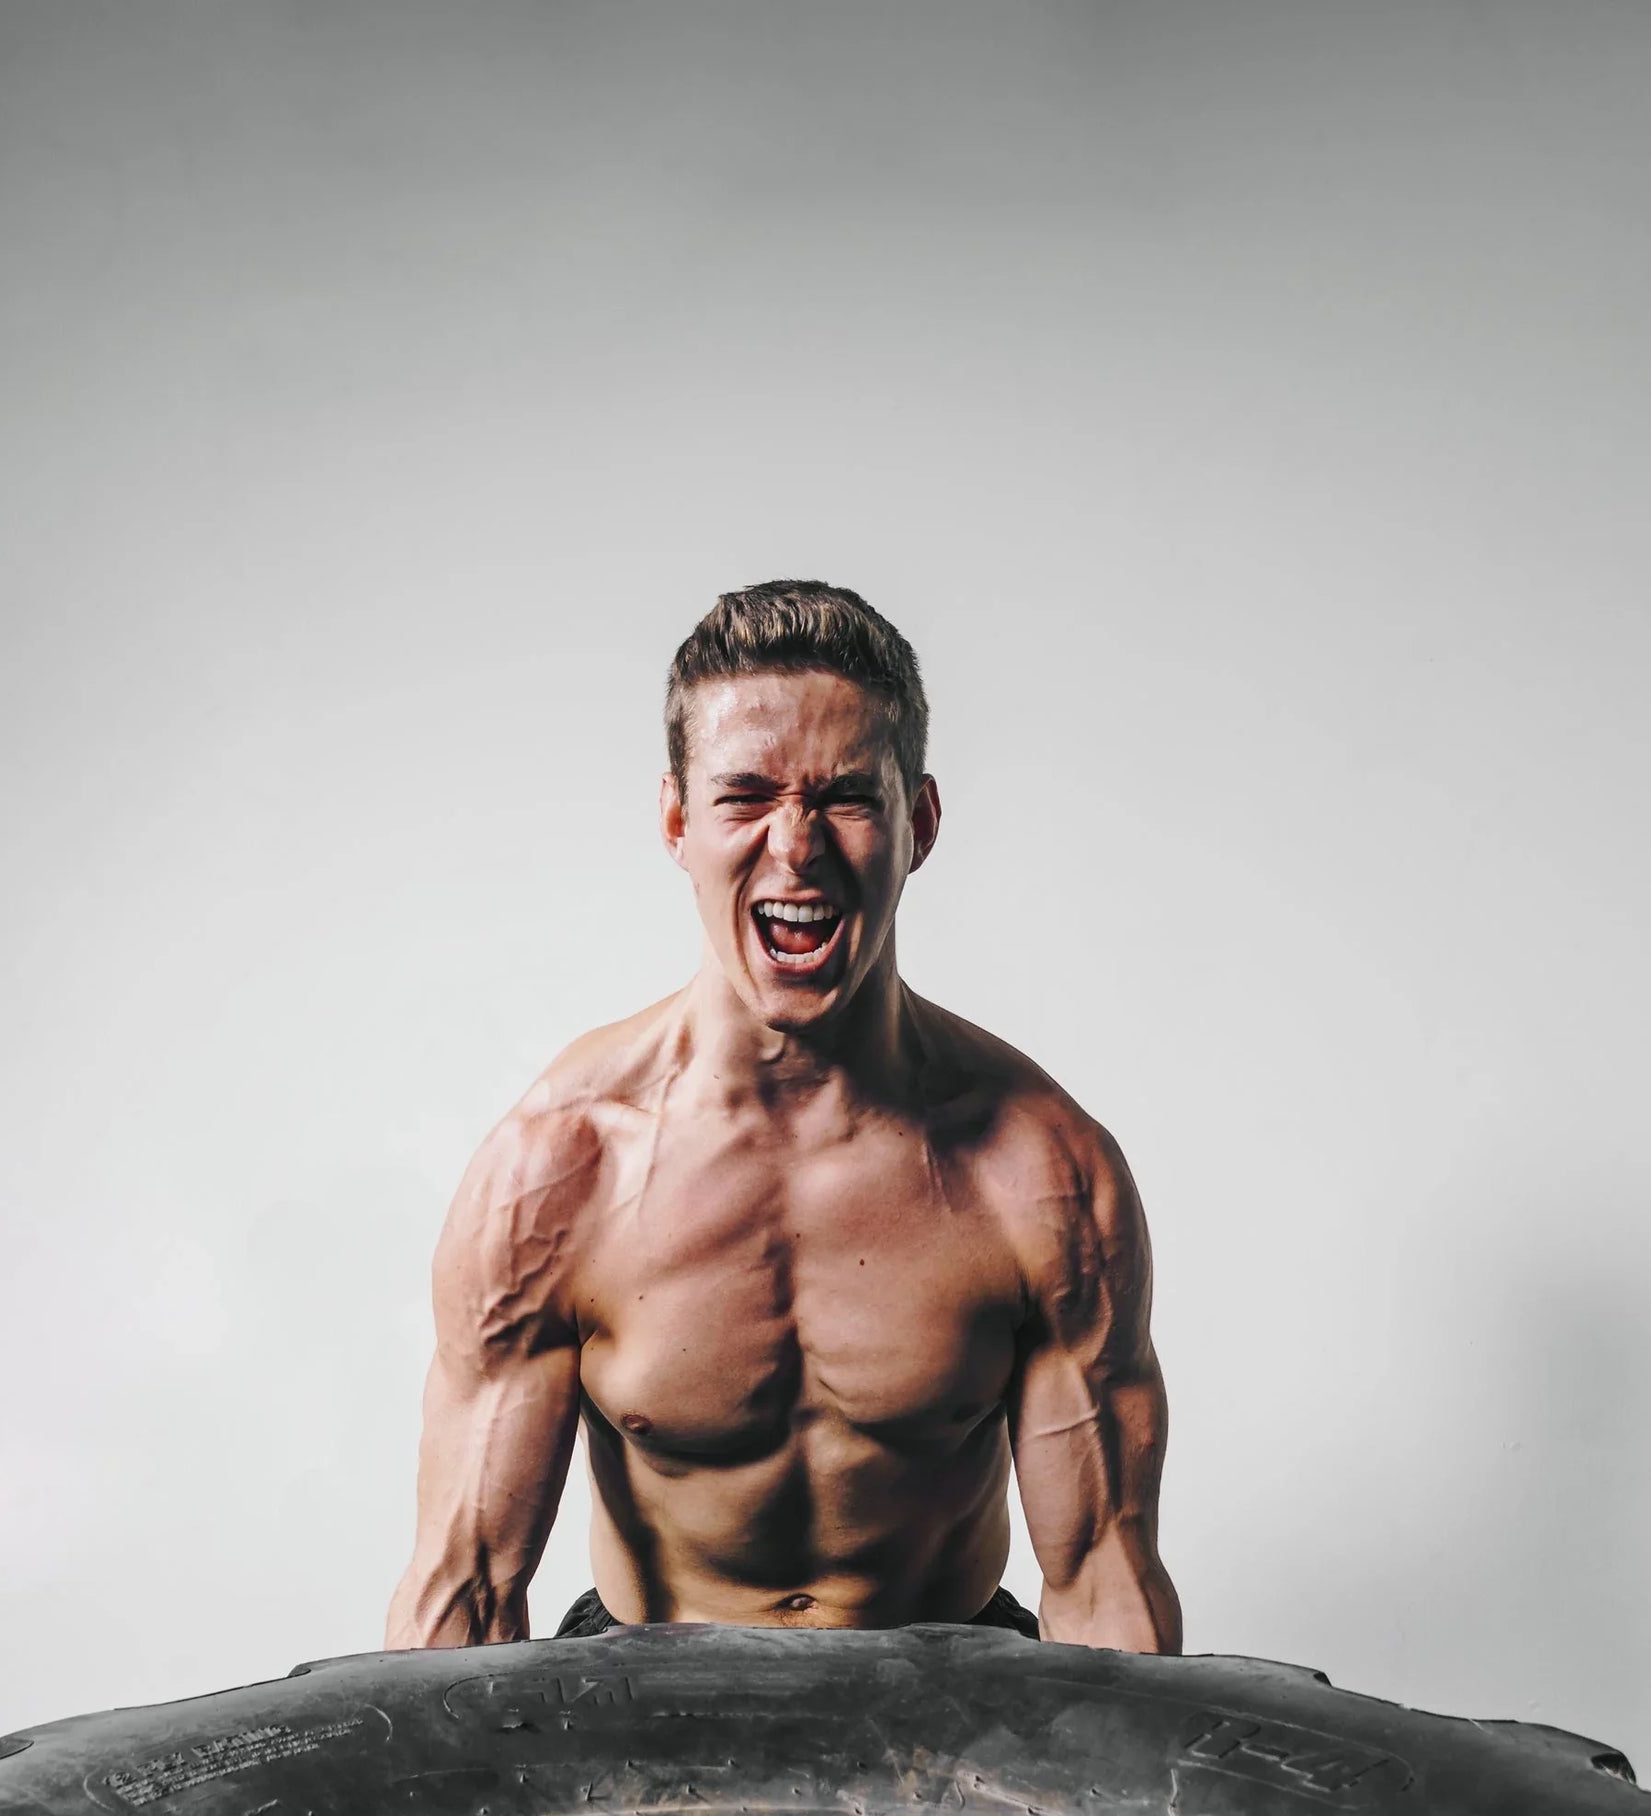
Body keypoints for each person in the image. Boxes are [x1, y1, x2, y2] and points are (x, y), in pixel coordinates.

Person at [387, 581, 1180, 1651]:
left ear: (921, 824)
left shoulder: (1041, 1175)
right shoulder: (560, 1173)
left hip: (956, 1701)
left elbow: (1101, 1588)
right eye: (744, 794)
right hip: (646, 1697)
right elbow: (465, 1595)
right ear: (677, 820)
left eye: (846, 795)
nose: (795, 846)